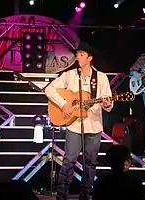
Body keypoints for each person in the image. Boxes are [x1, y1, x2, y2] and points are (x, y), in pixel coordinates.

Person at [45, 42, 113, 200]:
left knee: (91, 162)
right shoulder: (70, 75)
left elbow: (108, 103)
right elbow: (49, 89)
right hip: (74, 124)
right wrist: (63, 104)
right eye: (77, 54)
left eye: (81, 54)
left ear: (90, 58)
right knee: (69, 159)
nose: (77, 57)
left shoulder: (101, 78)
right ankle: (62, 194)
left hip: (94, 125)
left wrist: (108, 104)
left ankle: (87, 193)